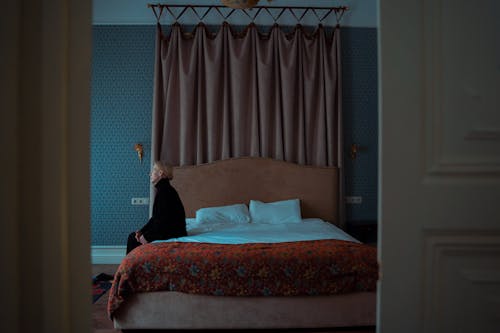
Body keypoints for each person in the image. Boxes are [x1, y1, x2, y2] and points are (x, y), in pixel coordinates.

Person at [126, 161, 187, 254]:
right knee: (133, 236)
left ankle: (132, 268)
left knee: (132, 239)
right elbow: (156, 218)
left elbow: (164, 222)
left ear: (160, 173)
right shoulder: (163, 189)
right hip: (169, 230)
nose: (150, 174)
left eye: (153, 170)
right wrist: (142, 231)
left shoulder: (165, 192)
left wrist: (147, 237)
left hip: (173, 232)